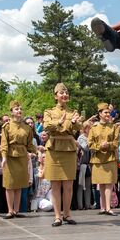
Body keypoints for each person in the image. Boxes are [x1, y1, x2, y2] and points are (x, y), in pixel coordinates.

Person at [43, 83, 82, 226]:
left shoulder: (73, 112)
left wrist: (74, 122)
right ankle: (57, 216)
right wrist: (59, 122)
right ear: (55, 96)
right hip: (54, 149)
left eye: (66, 92)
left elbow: (78, 127)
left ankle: (67, 214)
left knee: (68, 185)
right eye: (61, 93)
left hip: (68, 148)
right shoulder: (49, 111)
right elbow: (47, 126)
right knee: (55, 185)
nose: (64, 95)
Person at [0, 101, 37, 219]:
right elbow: (4, 143)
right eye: (16, 109)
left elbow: (30, 144)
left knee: (20, 184)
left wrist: (36, 152)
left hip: (22, 156)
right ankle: (10, 210)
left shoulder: (27, 127)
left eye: (20, 109)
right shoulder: (7, 126)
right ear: (11, 111)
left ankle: (16, 210)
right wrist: (4, 157)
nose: (19, 110)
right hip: (10, 156)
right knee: (10, 184)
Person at [88, 103, 120, 216]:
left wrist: (108, 145)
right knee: (100, 184)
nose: (108, 114)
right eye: (105, 112)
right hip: (97, 159)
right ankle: (102, 207)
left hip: (110, 158)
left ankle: (108, 207)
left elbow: (116, 143)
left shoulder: (114, 127)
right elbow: (90, 143)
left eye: (108, 112)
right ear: (100, 114)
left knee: (109, 183)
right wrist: (99, 146)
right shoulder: (93, 128)